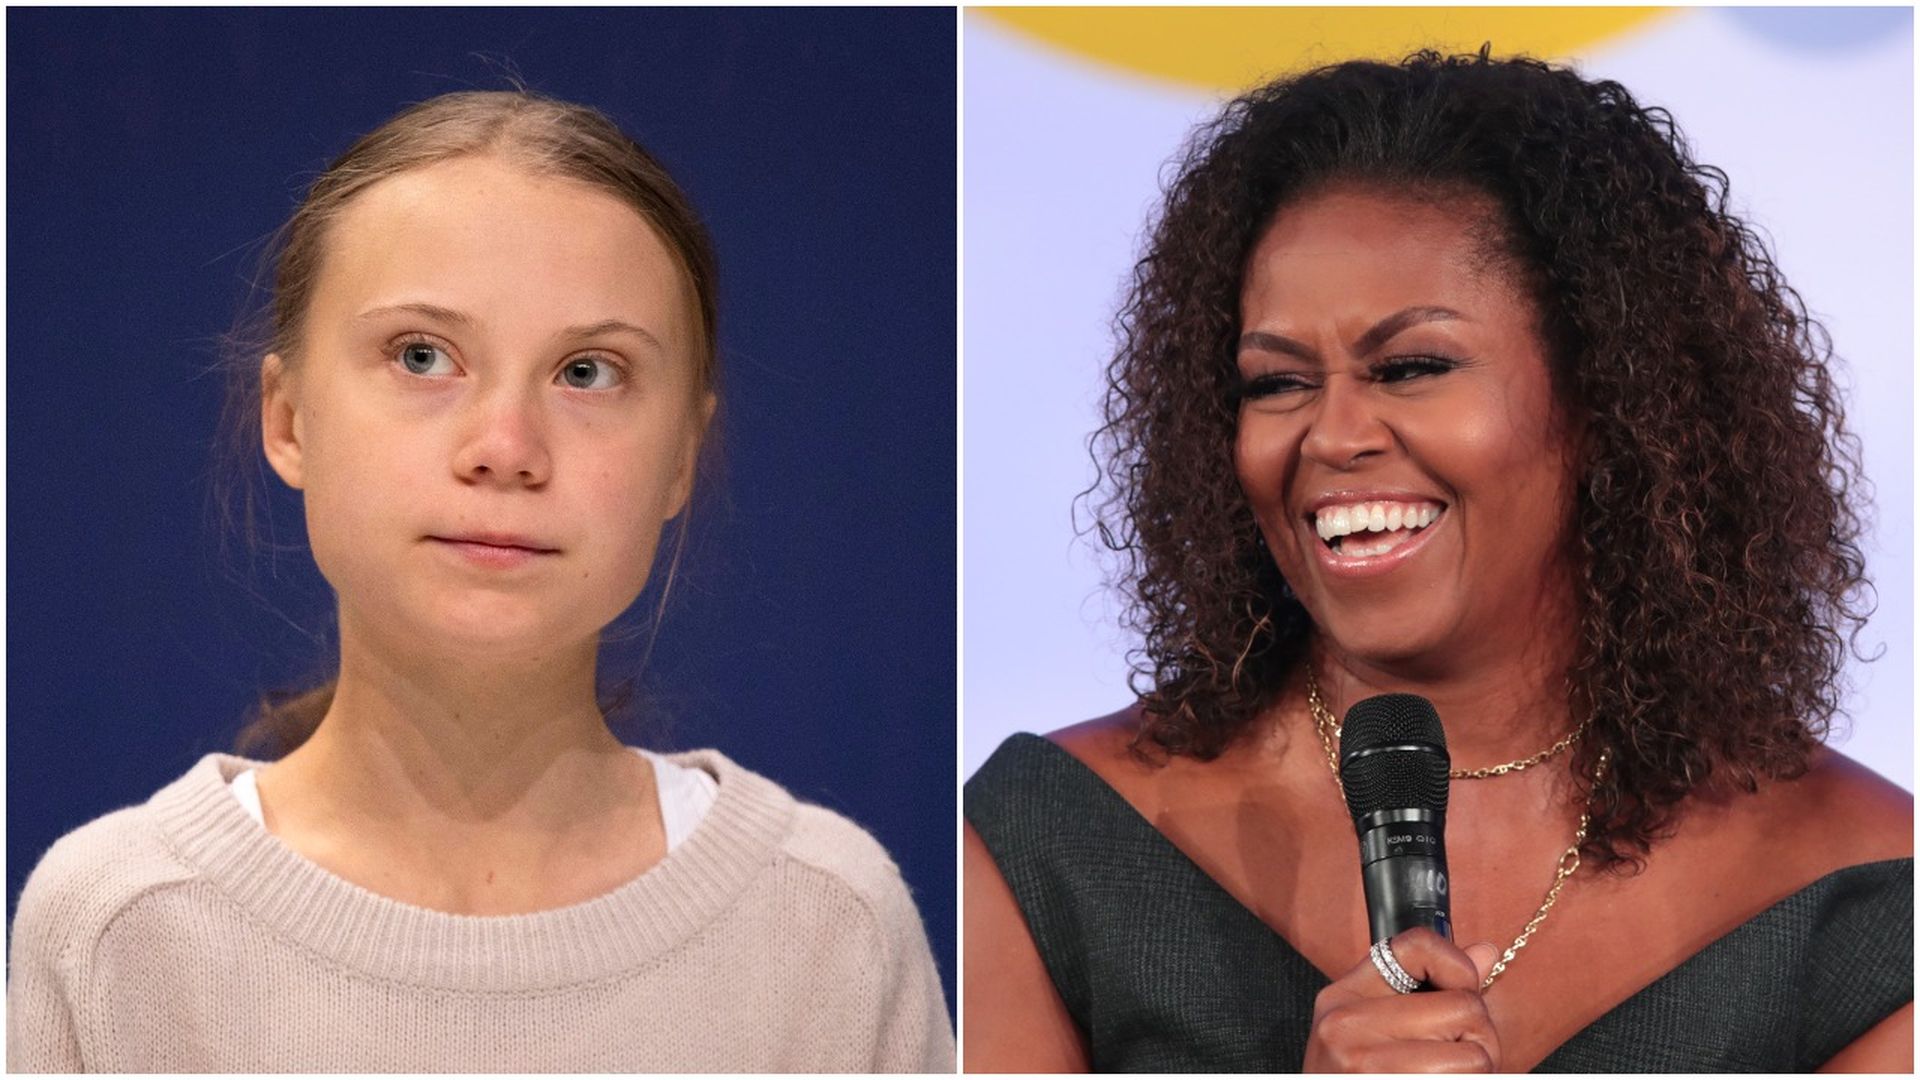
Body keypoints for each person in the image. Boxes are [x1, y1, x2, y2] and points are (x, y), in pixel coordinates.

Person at [965, 49, 1911, 1073]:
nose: (1332, 435)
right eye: (1275, 384)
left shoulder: (1862, 898)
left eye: (1411, 367)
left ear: (1608, 400)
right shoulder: (1049, 849)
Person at [7, 89, 953, 1073]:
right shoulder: (119, 927)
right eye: (423, 357)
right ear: (288, 421)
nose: (505, 449)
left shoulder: (829, 923)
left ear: (681, 457)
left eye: (588, 372)